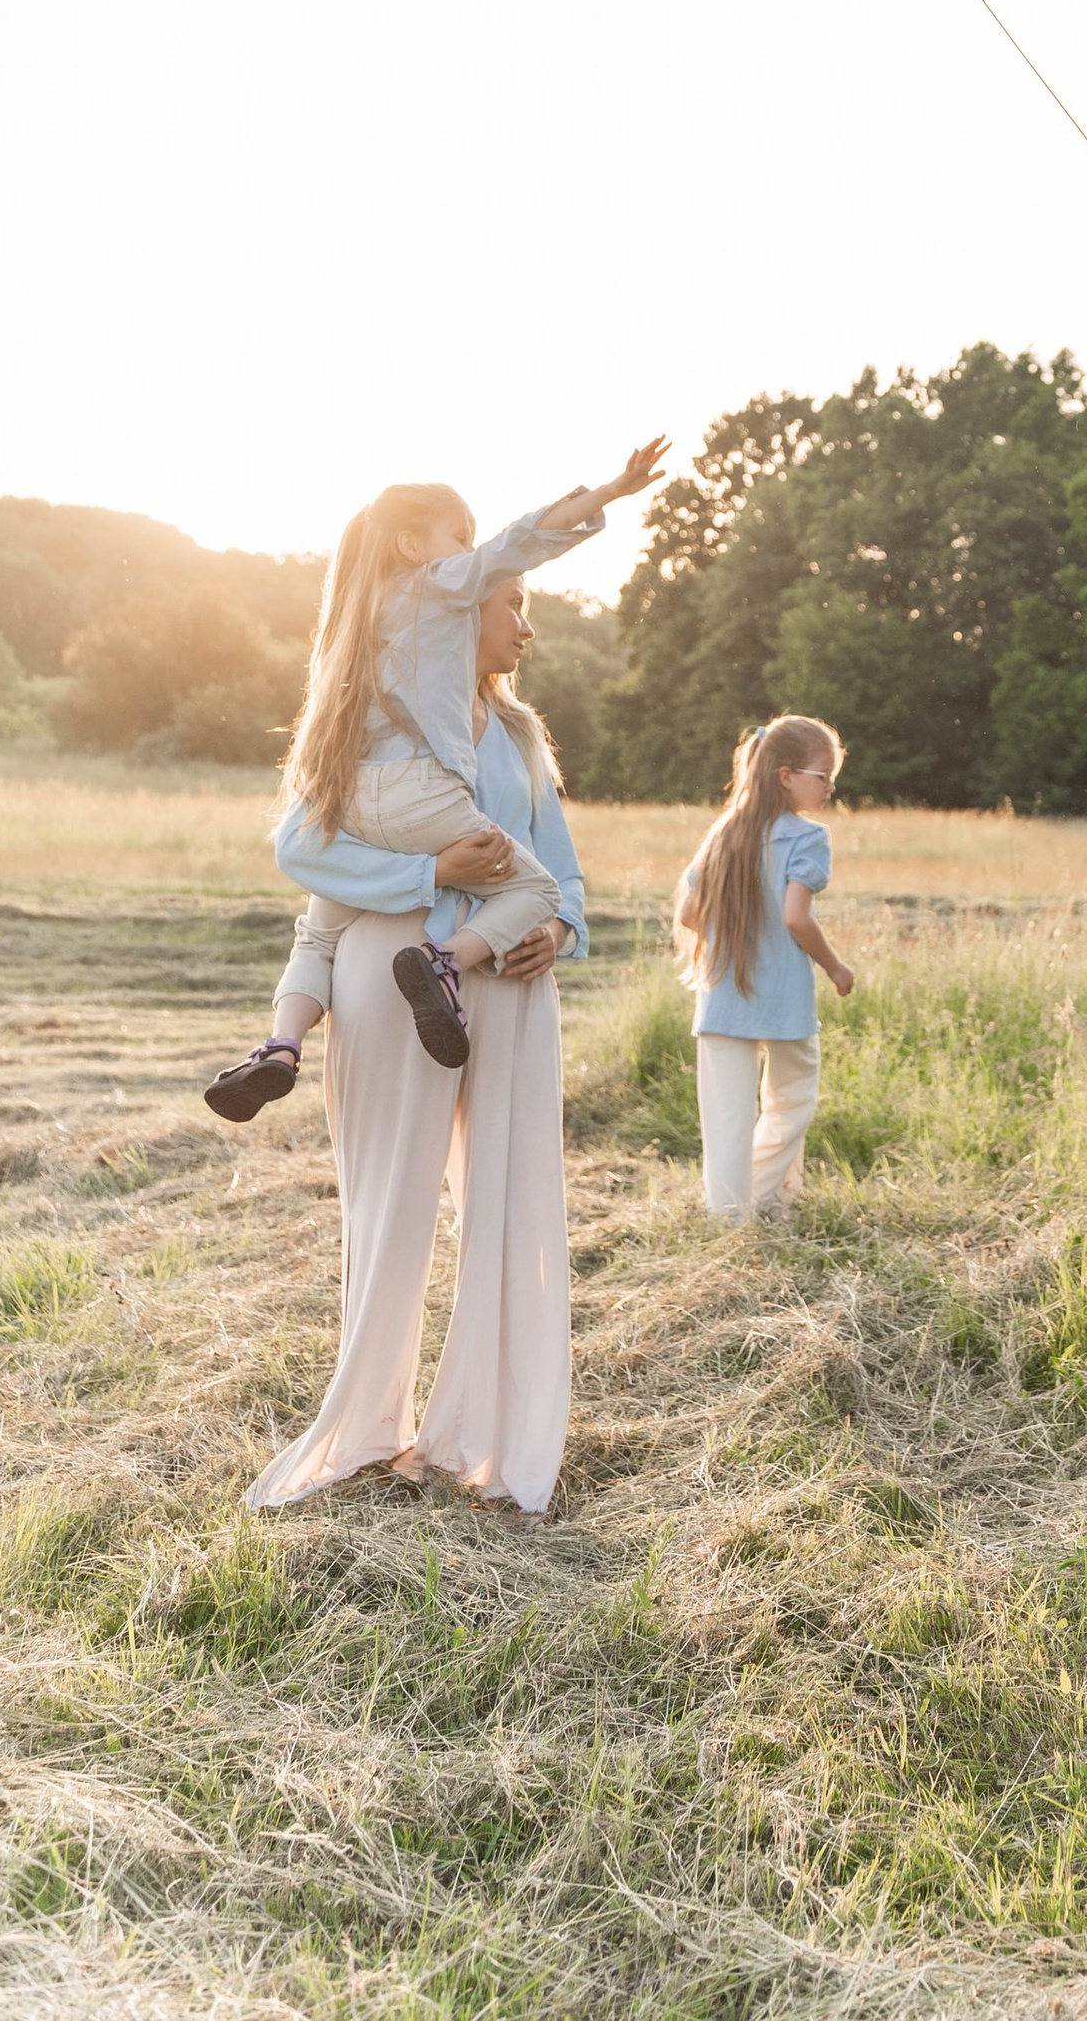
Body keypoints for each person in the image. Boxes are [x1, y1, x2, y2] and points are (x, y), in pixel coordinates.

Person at [246, 565, 585, 1517]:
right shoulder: (374, 723)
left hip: (511, 985)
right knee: (390, 1204)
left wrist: (557, 932)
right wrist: (428, 869)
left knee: (513, 1203)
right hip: (389, 974)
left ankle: (487, 1438)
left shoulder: (519, 733)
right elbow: (314, 851)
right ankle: (363, 1432)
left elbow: (562, 871)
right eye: (512, 602)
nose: (526, 623)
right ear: (452, 609)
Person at [203, 442, 664, 1121]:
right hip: (423, 795)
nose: (470, 555)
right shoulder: (436, 585)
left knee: (318, 929)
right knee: (531, 888)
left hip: (366, 797)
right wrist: (607, 493)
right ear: (411, 542)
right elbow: (520, 543)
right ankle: (443, 963)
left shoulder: (364, 620)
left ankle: (280, 1044)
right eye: (459, 538)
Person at [675, 717, 855, 1221]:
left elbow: (689, 915)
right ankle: (762, 1195)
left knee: (727, 1117)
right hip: (783, 1001)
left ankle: (732, 1215)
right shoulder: (809, 837)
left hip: (722, 996)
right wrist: (836, 967)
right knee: (792, 1099)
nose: (831, 787)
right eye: (823, 775)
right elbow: (796, 918)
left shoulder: (724, 834)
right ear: (786, 776)